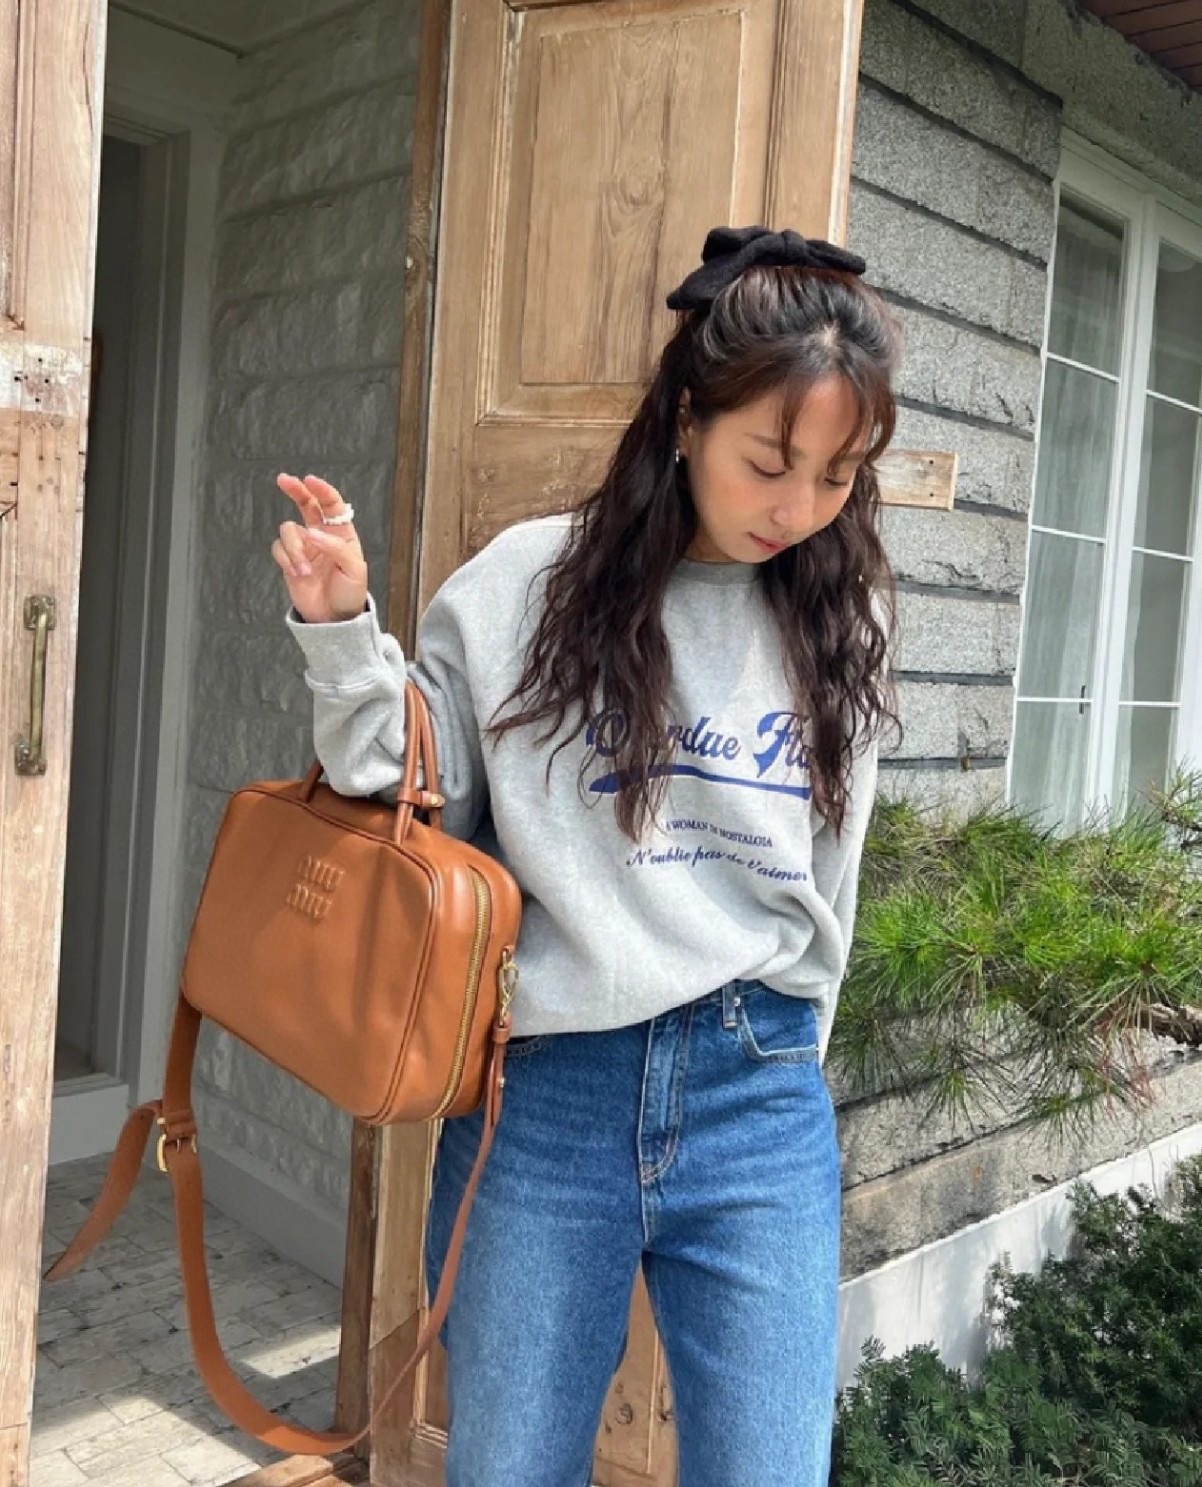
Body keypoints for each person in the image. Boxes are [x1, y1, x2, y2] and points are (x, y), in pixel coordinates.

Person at [272, 226, 900, 1487]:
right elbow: (410, 786)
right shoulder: (523, 585)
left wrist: (791, 1050)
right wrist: (339, 627)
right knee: (506, 1468)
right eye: (768, 462)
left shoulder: (843, 615)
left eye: (836, 475)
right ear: (686, 419)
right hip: (548, 1094)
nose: (797, 508)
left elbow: (831, 871)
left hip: (757, 1092)